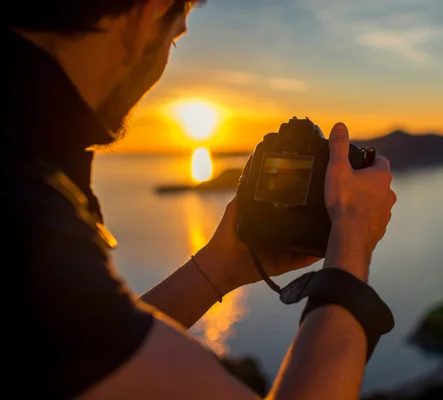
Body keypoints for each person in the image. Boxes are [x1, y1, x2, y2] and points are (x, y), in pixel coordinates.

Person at [5, 1, 397, 399]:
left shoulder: (25, 170)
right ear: (149, 15)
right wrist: (351, 244)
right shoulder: (25, 212)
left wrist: (221, 266)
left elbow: (76, 346)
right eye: (173, 40)